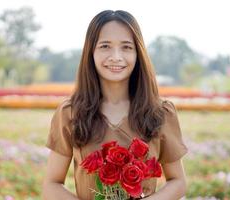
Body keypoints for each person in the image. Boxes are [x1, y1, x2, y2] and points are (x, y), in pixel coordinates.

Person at [42, 10, 188, 200]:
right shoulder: (71, 113)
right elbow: (51, 184)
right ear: (91, 52)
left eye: (126, 47)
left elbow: (178, 181)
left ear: (138, 53)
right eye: (105, 46)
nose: (116, 57)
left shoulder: (160, 113)